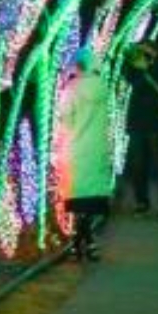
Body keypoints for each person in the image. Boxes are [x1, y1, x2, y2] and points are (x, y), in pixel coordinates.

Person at [58, 47, 113, 261]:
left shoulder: (70, 90)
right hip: (97, 148)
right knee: (92, 200)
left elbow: (65, 119)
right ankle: (88, 243)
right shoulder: (103, 88)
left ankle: (76, 244)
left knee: (78, 200)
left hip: (76, 149)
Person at [121, 41, 158, 218]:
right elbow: (131, 80)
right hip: (136, 123)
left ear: (155, 52)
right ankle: (141, 202)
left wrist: (148, 68)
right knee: (137, 165)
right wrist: (136, 66)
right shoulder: (134, 69)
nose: (143, 54)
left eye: (147, 51)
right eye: (141, 51)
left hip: (157, 123)